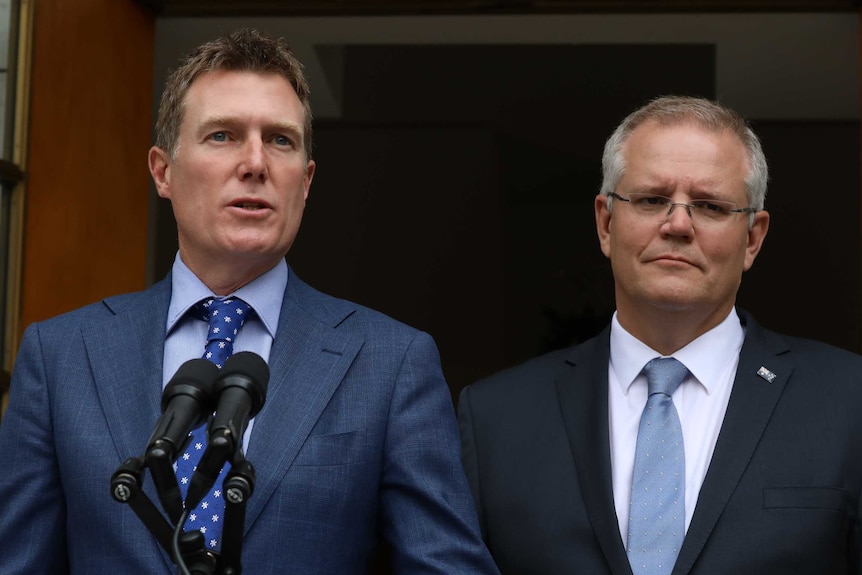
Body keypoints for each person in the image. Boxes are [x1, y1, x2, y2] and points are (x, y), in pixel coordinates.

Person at [0, 29, 499, 575]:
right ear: (162, 171)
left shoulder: (392, 362)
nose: (256, 163)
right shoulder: (60, 355)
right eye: (223, 136)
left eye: (280, 140)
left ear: (305, 182)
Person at [458, 95, 862, 574]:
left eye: (710, 206)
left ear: (753, 237)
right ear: (606, 223)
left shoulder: (848, 400)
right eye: (652, 200)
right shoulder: (494, 418)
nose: (677, 225)